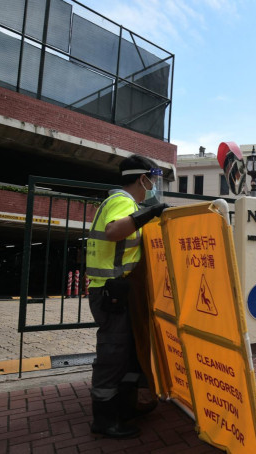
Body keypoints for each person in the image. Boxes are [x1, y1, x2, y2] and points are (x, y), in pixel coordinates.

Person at [86, 155, 168, 438]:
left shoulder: (121, 202)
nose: (154, 184)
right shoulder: (122, 201)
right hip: (112, 292)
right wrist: (149, 213)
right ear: (142, 178)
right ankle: (104, 418)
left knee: (127, 352)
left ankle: (125, 406)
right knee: (113, 353)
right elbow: (112, 232)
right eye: (152, 178)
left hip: (117, 290)